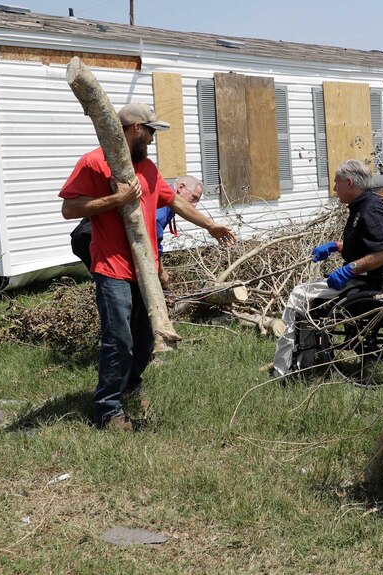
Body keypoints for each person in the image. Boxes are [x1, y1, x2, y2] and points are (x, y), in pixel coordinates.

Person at [59, 102, 236, 430]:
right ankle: (107, 410)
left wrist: (210, 226)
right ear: (136, 128)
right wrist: (116, 200)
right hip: (111, 268)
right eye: (151, 131)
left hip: (145, 271)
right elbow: (70, 209)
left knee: (143, 338)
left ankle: (130, 386)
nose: (153, 139)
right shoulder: (94, 162)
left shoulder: (149, 169)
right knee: (119, 338)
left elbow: (176, 202)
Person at [272, 160, 383, 377]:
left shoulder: (370, 210)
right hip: (368, 279)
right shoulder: (363, 207)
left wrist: (350, 269)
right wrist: (337, 247)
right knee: (306, 292)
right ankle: (304, 359)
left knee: (299, 296)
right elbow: (367, 245)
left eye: (336, 183)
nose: (334, 189)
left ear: (349, 183)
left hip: (368, 284)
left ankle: (290, 368)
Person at [70, 175, 204, 290]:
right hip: (92, 235)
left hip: (91, 234)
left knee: (117, 284)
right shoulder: (165, 199)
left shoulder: (164, 194)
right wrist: (161, 271)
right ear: (181, 188)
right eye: (194, 198)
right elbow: (154, 234)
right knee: (116, 284)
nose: (194, 205)